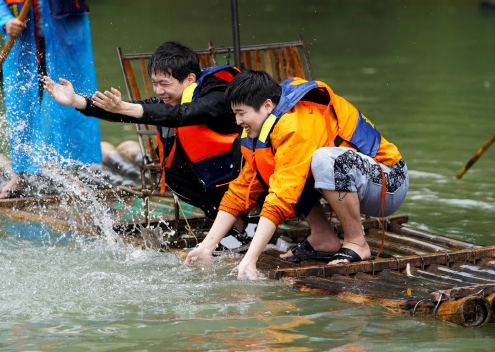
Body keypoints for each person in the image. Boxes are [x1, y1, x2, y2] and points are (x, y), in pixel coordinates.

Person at [184, 70, 409, 280]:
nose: (238, 122)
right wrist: (207, 246)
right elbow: (241, 191)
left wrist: (250, 259)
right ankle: (323, 237)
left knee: (324, 160)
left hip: (388, 183)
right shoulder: (263, 129)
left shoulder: (293, 127)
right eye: (235, 114)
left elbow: (281, 197)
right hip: (356, 184)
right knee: (279, 169)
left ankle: (357, 243)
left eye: (241, 113)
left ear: (267, 105)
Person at [43, 41, 252, 253]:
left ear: (190, 79)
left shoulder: (218, 92)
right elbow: (131, 110)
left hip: (251, 171)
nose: (159, 91)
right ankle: (234, 232)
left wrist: (125, 107)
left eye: (165, 84)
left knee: (241, 153)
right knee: (173, 172)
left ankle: (253, 222)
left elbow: (183, 114)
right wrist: (77, 101)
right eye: (155, 84)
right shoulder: (172, 98)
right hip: (217, 175)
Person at [0, 0, 101, 198]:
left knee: (71, 96)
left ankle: (71, 171)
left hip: (65, 35)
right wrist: (4, 20)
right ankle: (19, 174)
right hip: (24, 40)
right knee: (21, 102)